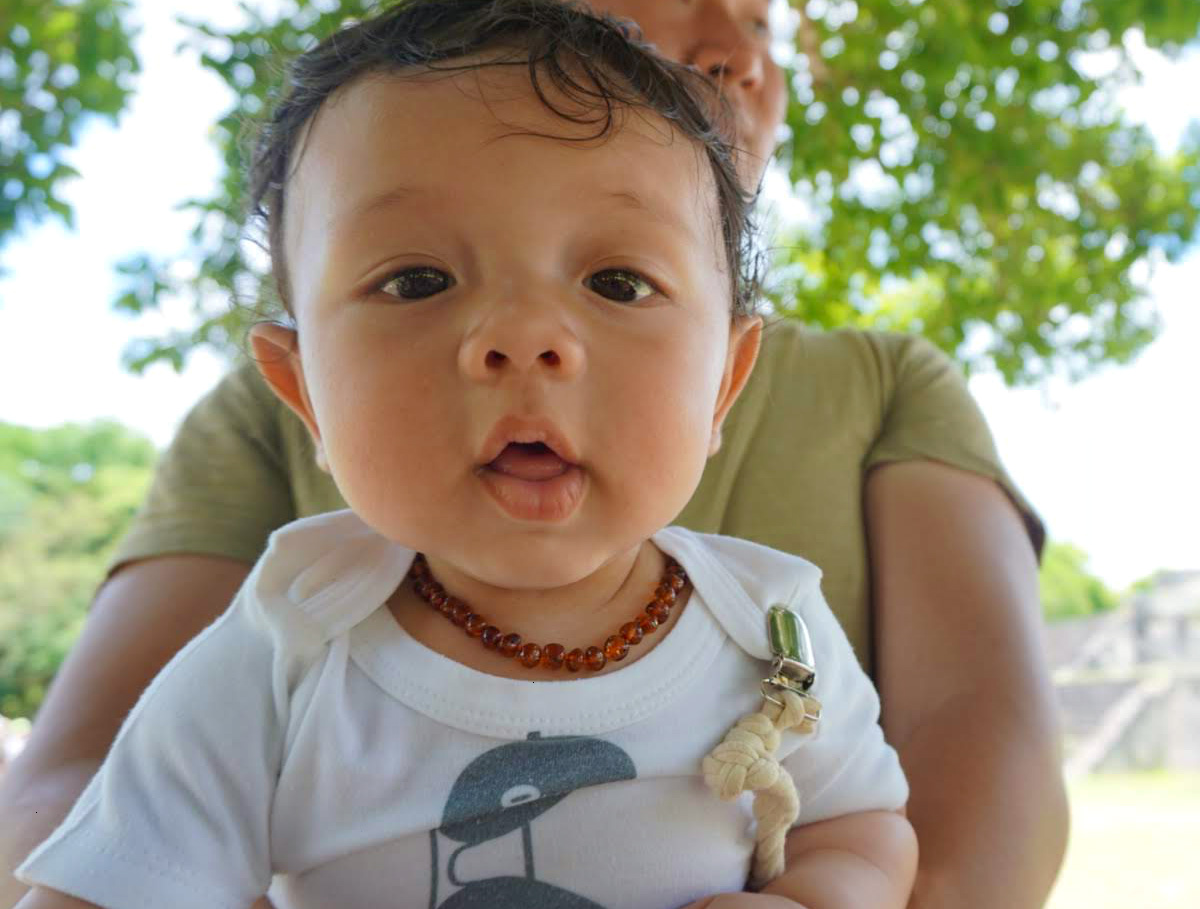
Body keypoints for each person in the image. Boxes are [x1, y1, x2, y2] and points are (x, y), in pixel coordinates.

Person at [0, 0, 1069, 907]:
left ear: (722, 386)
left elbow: (862, 819)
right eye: (415, 281)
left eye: (616, 283)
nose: (524, 337)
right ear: (301, 393)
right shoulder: (282, 648)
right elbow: (103, 861)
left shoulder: (776, 621)